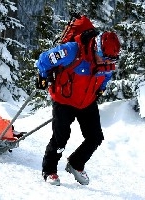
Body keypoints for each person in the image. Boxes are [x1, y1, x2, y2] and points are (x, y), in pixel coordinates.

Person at [35, 29, 121, 186]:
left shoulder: (107, 60)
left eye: (111, 60)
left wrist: (101, 88)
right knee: (60, 139)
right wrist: (43, 75)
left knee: (95, 137)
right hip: (64, 99)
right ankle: (49, 170)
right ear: (96, 48)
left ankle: (76, 163)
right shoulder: (72, 50)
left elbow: (107, 75)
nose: (107, 63)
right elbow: (43, 59)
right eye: (105, 58)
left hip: (87, 101)